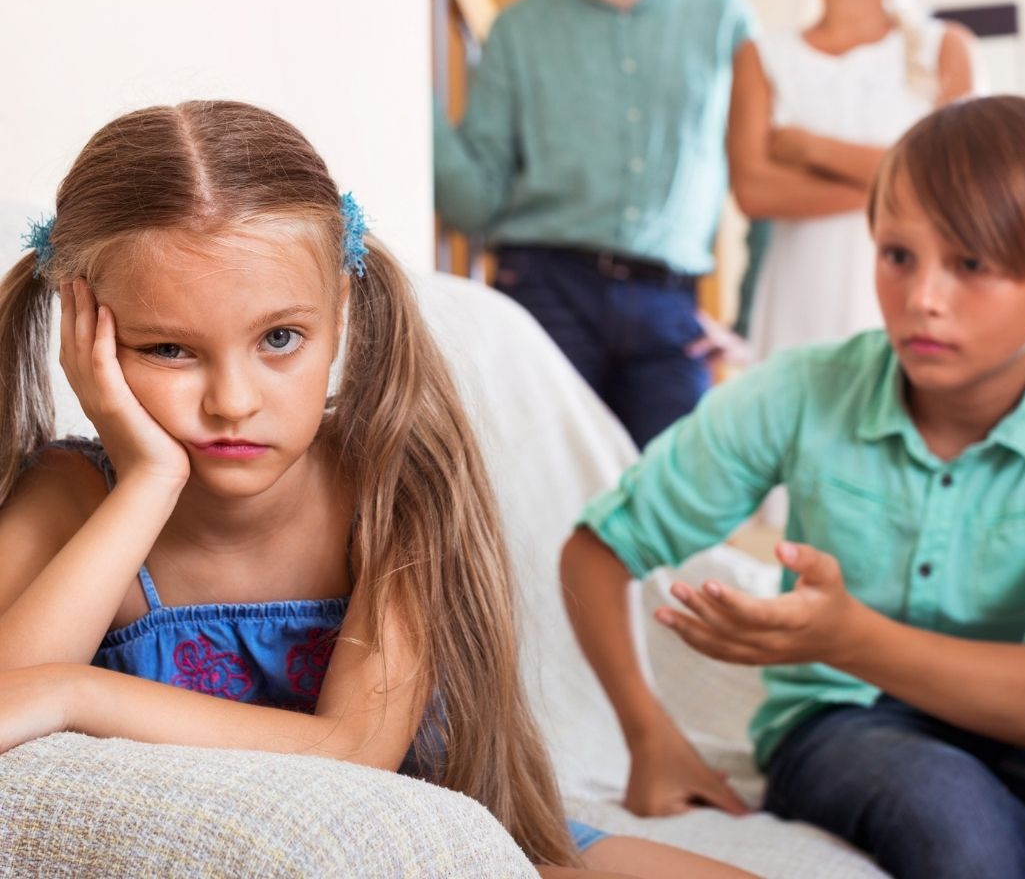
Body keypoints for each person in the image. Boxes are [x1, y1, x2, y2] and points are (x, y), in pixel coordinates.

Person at [0, 101, 759, 879]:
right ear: (83, 334)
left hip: (445, 845)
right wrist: (148, 483)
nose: (232, 399)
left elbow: (355, 752)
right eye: (168, 348)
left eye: (280, 340)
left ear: (340, 308)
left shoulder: (389, 479)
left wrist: (74, 694)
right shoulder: (72, 499)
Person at [561, 95, 1025, 877]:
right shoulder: (802, 391)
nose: (922, 298)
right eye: (898, 255)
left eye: (970, 264)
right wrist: (647, 731)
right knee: (962, 836)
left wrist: (848, 634)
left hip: (1023, 726)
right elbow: (596, 550)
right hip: (844, 723)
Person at [434, 0, 756, 449]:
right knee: (541, 503)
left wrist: (747, 316)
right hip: (546, 293)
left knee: (669, 511)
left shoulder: (725, 18)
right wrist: (410, 102)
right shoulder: (518, 31)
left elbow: (759, 168)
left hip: (672, 306)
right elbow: (475, 201)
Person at [728, 0, 976, 358]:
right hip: (800, 290)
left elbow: (959, 183)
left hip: (916, 291)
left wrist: (808, 148)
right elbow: (753, 191)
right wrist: (903, 180)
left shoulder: (947, 48)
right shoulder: (762, 56)